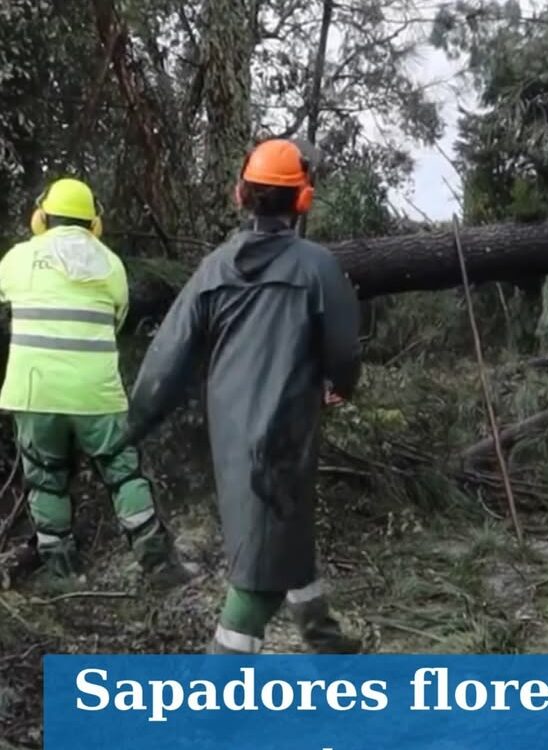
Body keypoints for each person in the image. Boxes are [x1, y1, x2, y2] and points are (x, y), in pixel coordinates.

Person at [119, 139, 363, 654]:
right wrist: (339, 386)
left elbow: (166, 362)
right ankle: (215, 701)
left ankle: (326, 642)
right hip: (288, 432)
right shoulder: (317, 267)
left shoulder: (214, 269)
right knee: (257, 577)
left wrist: (131, 427)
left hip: (230, 437)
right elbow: (344, 349)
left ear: (240, 195)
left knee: (282, 535)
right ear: (302, 201)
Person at [0, 177, 195, 589]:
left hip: (34, 391)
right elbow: (118, 320)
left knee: (45, 476)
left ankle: (63, 573)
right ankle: (159, 565)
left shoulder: (18, 259)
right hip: (96, 393)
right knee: (123, 473)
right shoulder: (111, 265)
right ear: (94, 225)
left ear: (42, 217)